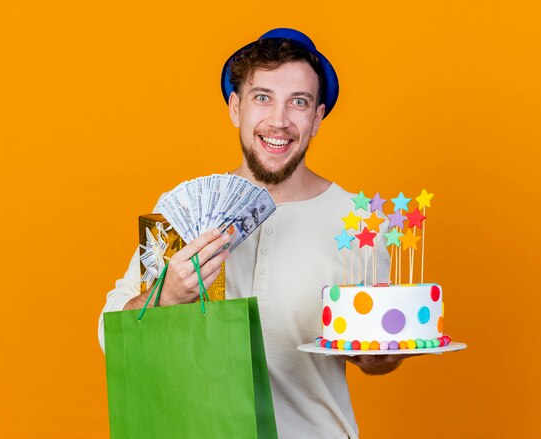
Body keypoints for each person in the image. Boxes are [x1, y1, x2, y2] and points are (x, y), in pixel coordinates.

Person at [99, 28, 412, 438]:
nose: (278, 121)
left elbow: (382, 356)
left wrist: (379, 356)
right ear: (236, 108)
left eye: (298, 102)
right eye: (262, 97)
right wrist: (169, 294)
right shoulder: (183, 209)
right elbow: (111, 335)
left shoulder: (359, 221)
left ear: (316, 118)